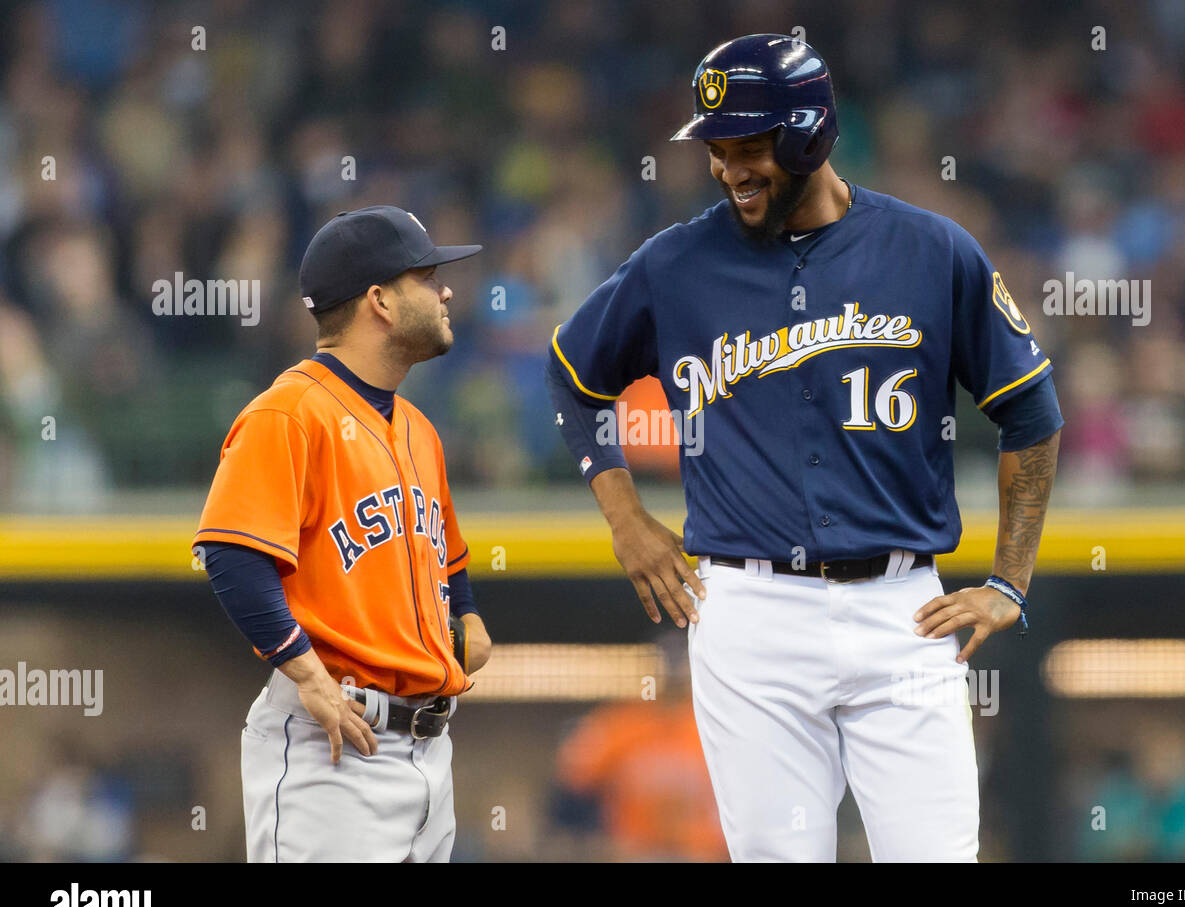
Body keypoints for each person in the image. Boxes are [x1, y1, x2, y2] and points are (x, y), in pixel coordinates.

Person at [545, 35, 1064, 862]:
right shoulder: (675, 264)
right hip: (749, 612)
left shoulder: (932, 252)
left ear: (810, 133)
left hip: (905, 612)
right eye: (717, 150)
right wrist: (624, 515)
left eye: (749, 147)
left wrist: (1010, 578)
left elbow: (1031, 413)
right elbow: (573, 374)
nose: (728, 169)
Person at [194, 205, 492, 862]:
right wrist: (307, 673)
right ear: (380, 300)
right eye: (426, 276)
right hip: (333, 742)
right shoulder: (289, 411)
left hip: (428, 748)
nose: (445, 290)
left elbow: (448, 553)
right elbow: (230, 553)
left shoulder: (418, 427)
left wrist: (466, 609)